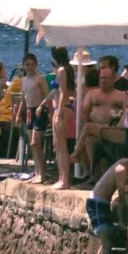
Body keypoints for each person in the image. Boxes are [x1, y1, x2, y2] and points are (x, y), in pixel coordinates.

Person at [75, 59, 128, 176]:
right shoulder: (92, 94)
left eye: (106, 78)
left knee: (88, 128)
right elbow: (85, 112)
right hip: (95, 130)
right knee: (89, 139)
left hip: (113, 129)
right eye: (101, 78)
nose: (103, 80)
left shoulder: (121, 95)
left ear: (113, 79)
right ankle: (95, 175)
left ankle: (75, 154)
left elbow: (127, 113)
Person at [18, 52, 51, 180]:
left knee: (35, 142)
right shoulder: (23, 80)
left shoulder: (40, 78)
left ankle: (42, 173)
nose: (30, 67)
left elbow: (48, 95)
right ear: (24, 66)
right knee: (32, 145)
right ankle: (37, 172)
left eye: (32, 64)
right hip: (29, 112)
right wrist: (19, 114)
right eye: (27, 65)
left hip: (40, 111)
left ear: (36, 65)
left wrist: (43, 107)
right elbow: (23, 99)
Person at [48, 46, 74, 191]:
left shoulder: (62, 70)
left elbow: (63, 92)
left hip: (62, 108)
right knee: (57, 145)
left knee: (61, 146)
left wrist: (58, 112)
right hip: (60, 108)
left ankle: (65, 180)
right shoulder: (65, 69)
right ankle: (61, 178)